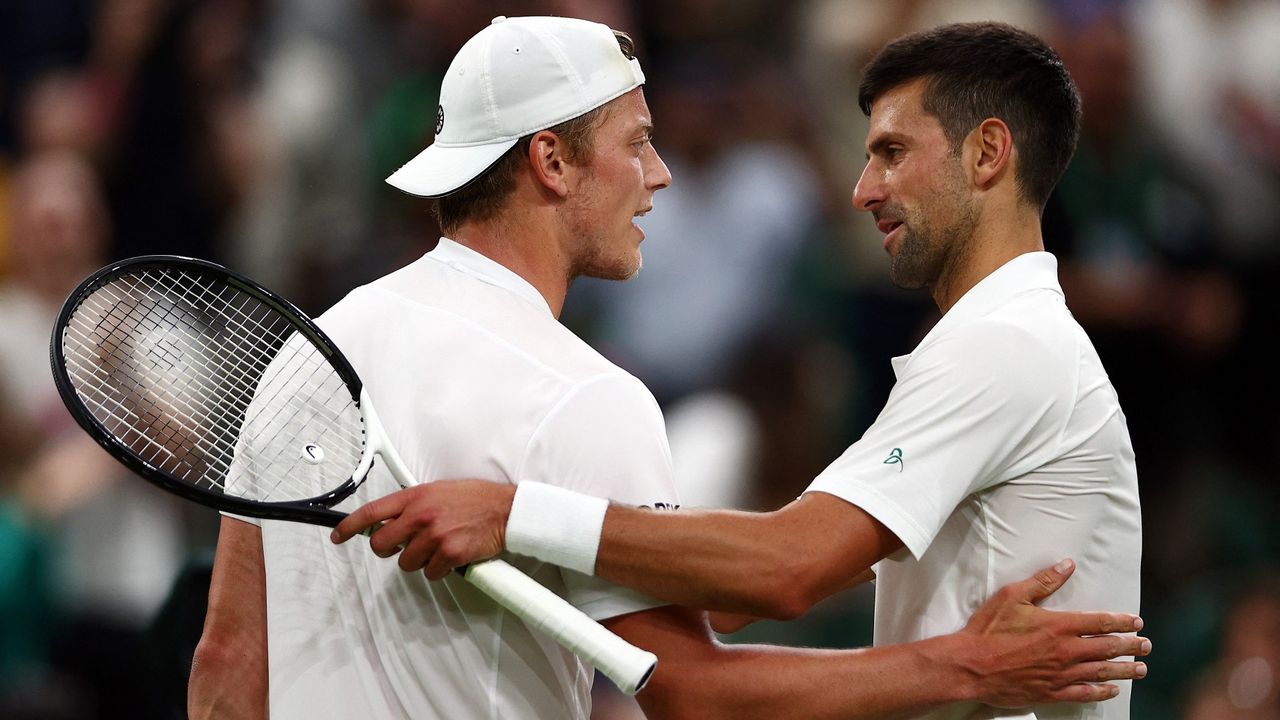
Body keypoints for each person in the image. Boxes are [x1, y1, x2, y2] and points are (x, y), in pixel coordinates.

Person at [191, 16, 1147, 720]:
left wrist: (512, 516)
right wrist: (966, 666)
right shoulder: (589, 399)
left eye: (892, 152)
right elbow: (712, 664)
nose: (661, 175)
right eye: (637, 143)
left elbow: (228, 663)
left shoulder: (305, 355)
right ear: (551, 163)